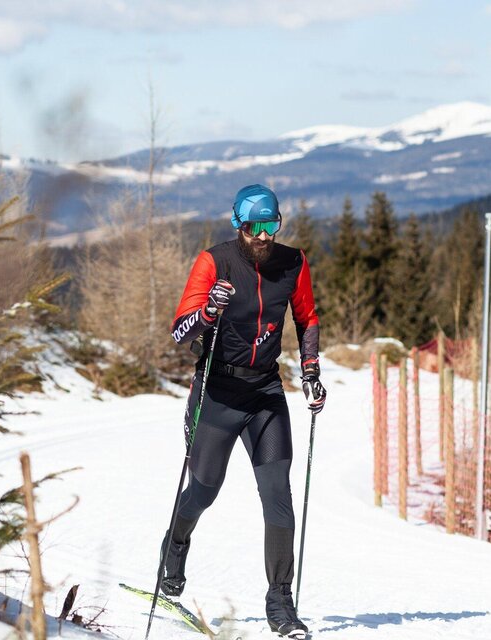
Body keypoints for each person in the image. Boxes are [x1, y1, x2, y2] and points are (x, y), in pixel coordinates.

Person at [163, 184, 327, 638]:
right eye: (254, 226)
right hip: (217, 392)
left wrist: (310, 370)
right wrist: (210, 311)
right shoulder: (213, 262)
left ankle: (281, 602)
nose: (263, 235)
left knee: (278, 496)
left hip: (265, 393)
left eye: (271, 225)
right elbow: (180, 333)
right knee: (203, 492)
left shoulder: (293, 262)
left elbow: (307, 317)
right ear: (238, 224)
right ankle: (174, 549)